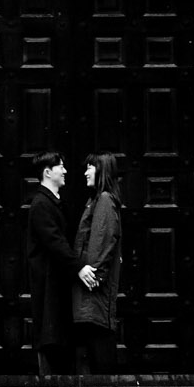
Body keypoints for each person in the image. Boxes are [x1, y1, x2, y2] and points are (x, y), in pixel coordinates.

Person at [23, 150, 98, 376]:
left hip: (57, 280)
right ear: (48, 172)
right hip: (49, 281)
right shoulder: (41, 205)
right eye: (61, 167)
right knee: (50, 334)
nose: (65, 171)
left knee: (57, 332)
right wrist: (79, 267)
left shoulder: (51, 202)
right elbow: (55, 242)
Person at [70, 153, 125, 374]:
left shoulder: (103, 200)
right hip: (91, 296)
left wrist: (92, 276)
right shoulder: (98, 199)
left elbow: (101, 241)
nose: (85, 172)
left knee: (99, 354)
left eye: (90, 167)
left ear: (101, 171)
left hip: (93, 294)